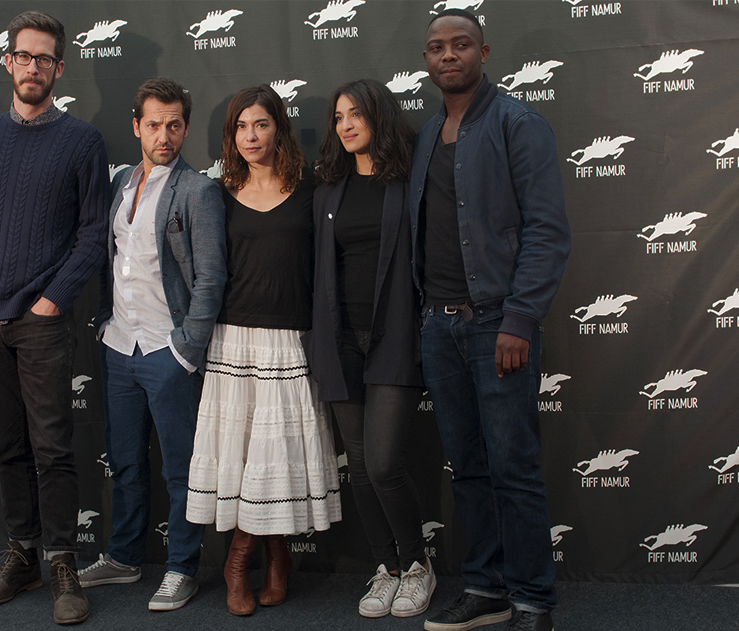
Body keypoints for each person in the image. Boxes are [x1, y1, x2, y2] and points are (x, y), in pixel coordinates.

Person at [0, 11, 109, 625]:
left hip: (41, 319)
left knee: (52, 447)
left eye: (45, 58)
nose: (33, 66)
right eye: (23, 55)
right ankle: (22, 556)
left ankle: (64, 558)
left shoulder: (82, 142)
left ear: (60, 68)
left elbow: (93, 235)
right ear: (8, 62)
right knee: (7, 446)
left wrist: (51, 300)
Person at [412, 10, 572, 631]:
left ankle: (533, 598)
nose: (447, 55)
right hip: (438, 326)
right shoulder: (427, 133)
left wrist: (520, 319)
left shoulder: (517, 123)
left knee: (513, 466)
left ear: (484, 51)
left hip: (496, 324)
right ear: (426, 59)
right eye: (435, 47)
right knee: (468, 467)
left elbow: (548, 231)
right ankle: (485, 588)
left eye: (459, 45)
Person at [185, 85, 342, 616]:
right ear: (231, 137)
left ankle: (243, 558)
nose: (251, 136)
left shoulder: (312, 189)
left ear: (280, 128)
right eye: (241, 128)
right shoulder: (217, 192)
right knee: (246, 458)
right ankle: (264, 559)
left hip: (291, 342)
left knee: (274, 458)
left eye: (261, 124)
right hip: (233, 340)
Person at [76, 78, 227, 612]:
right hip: (119, 346)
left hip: (168, 351)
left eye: (176, 124)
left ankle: (182, 567)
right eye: (155, 124)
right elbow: (107, 259)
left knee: (180, 468)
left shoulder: (198, 191)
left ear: (185, 126)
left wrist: (187, 349)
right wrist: (102, 323)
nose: (165, 135)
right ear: (136, 126)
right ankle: (123, 557)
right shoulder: (121, 182)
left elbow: (210, 280)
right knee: (125, 462)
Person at [305, 79, 432, 619]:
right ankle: (387, 568)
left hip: (395, 338)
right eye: (338, 117)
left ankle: (419, 563)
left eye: (357, 114)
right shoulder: (328, 188)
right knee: (357, 465)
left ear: (379, 117)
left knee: (382, 463)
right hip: (340, 341)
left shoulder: (409, 183)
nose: (346, 124)